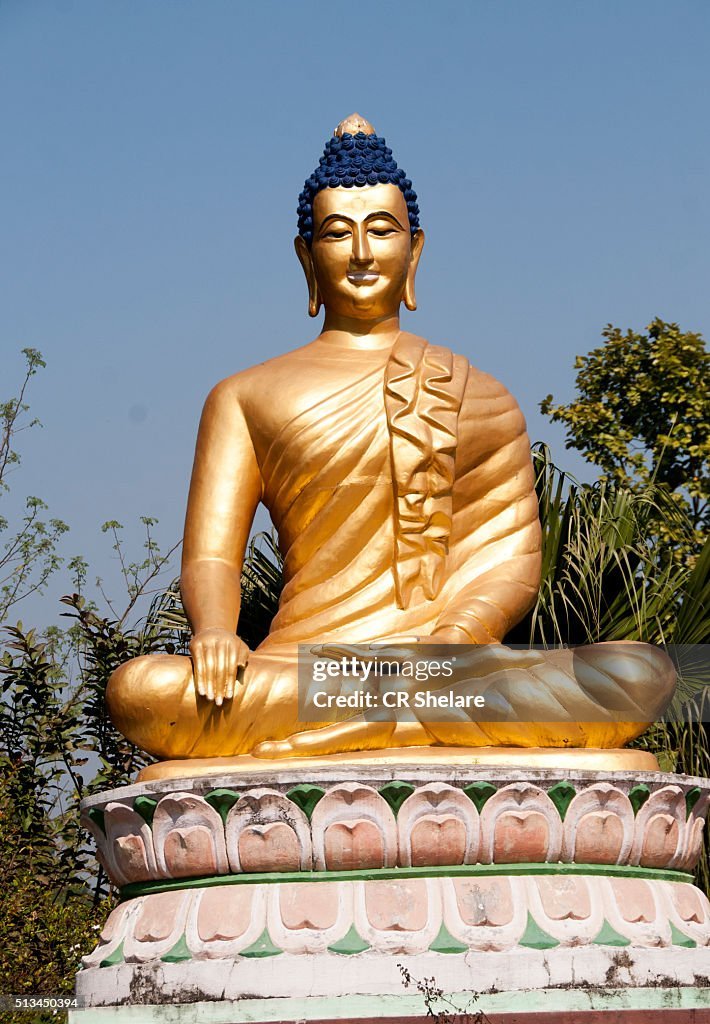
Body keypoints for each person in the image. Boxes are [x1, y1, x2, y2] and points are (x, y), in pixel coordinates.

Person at [107, 115, 675, 761]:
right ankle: (404, 718)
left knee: (640, 674)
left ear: (415, 249)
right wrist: (215, 631)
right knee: (144, 691)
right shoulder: (245, 395)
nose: (360, 253)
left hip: (447, 667)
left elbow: (507, 557)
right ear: (305, 256)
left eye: (381, 230)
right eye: (336, 233)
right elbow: (212, 558)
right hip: (309, 674)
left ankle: (388, 718)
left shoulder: (479, 394)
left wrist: (457, 637)